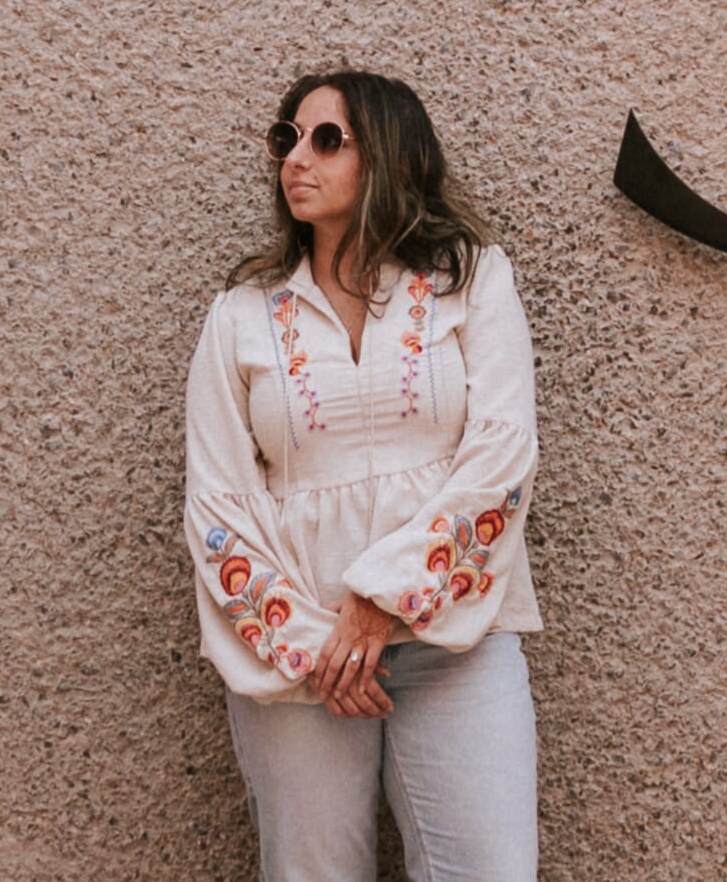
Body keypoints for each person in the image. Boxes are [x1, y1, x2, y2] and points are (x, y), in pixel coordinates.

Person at [183, 67, 544, 882]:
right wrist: (319, 646)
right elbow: (216, 503)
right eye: (287, 137)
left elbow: (503, 454)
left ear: (389, 154)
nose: (295, 158)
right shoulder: (239, 315)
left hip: (460, 640)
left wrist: (381, 603)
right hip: (296, 651)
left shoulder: (472, 281)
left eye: (326, 138)